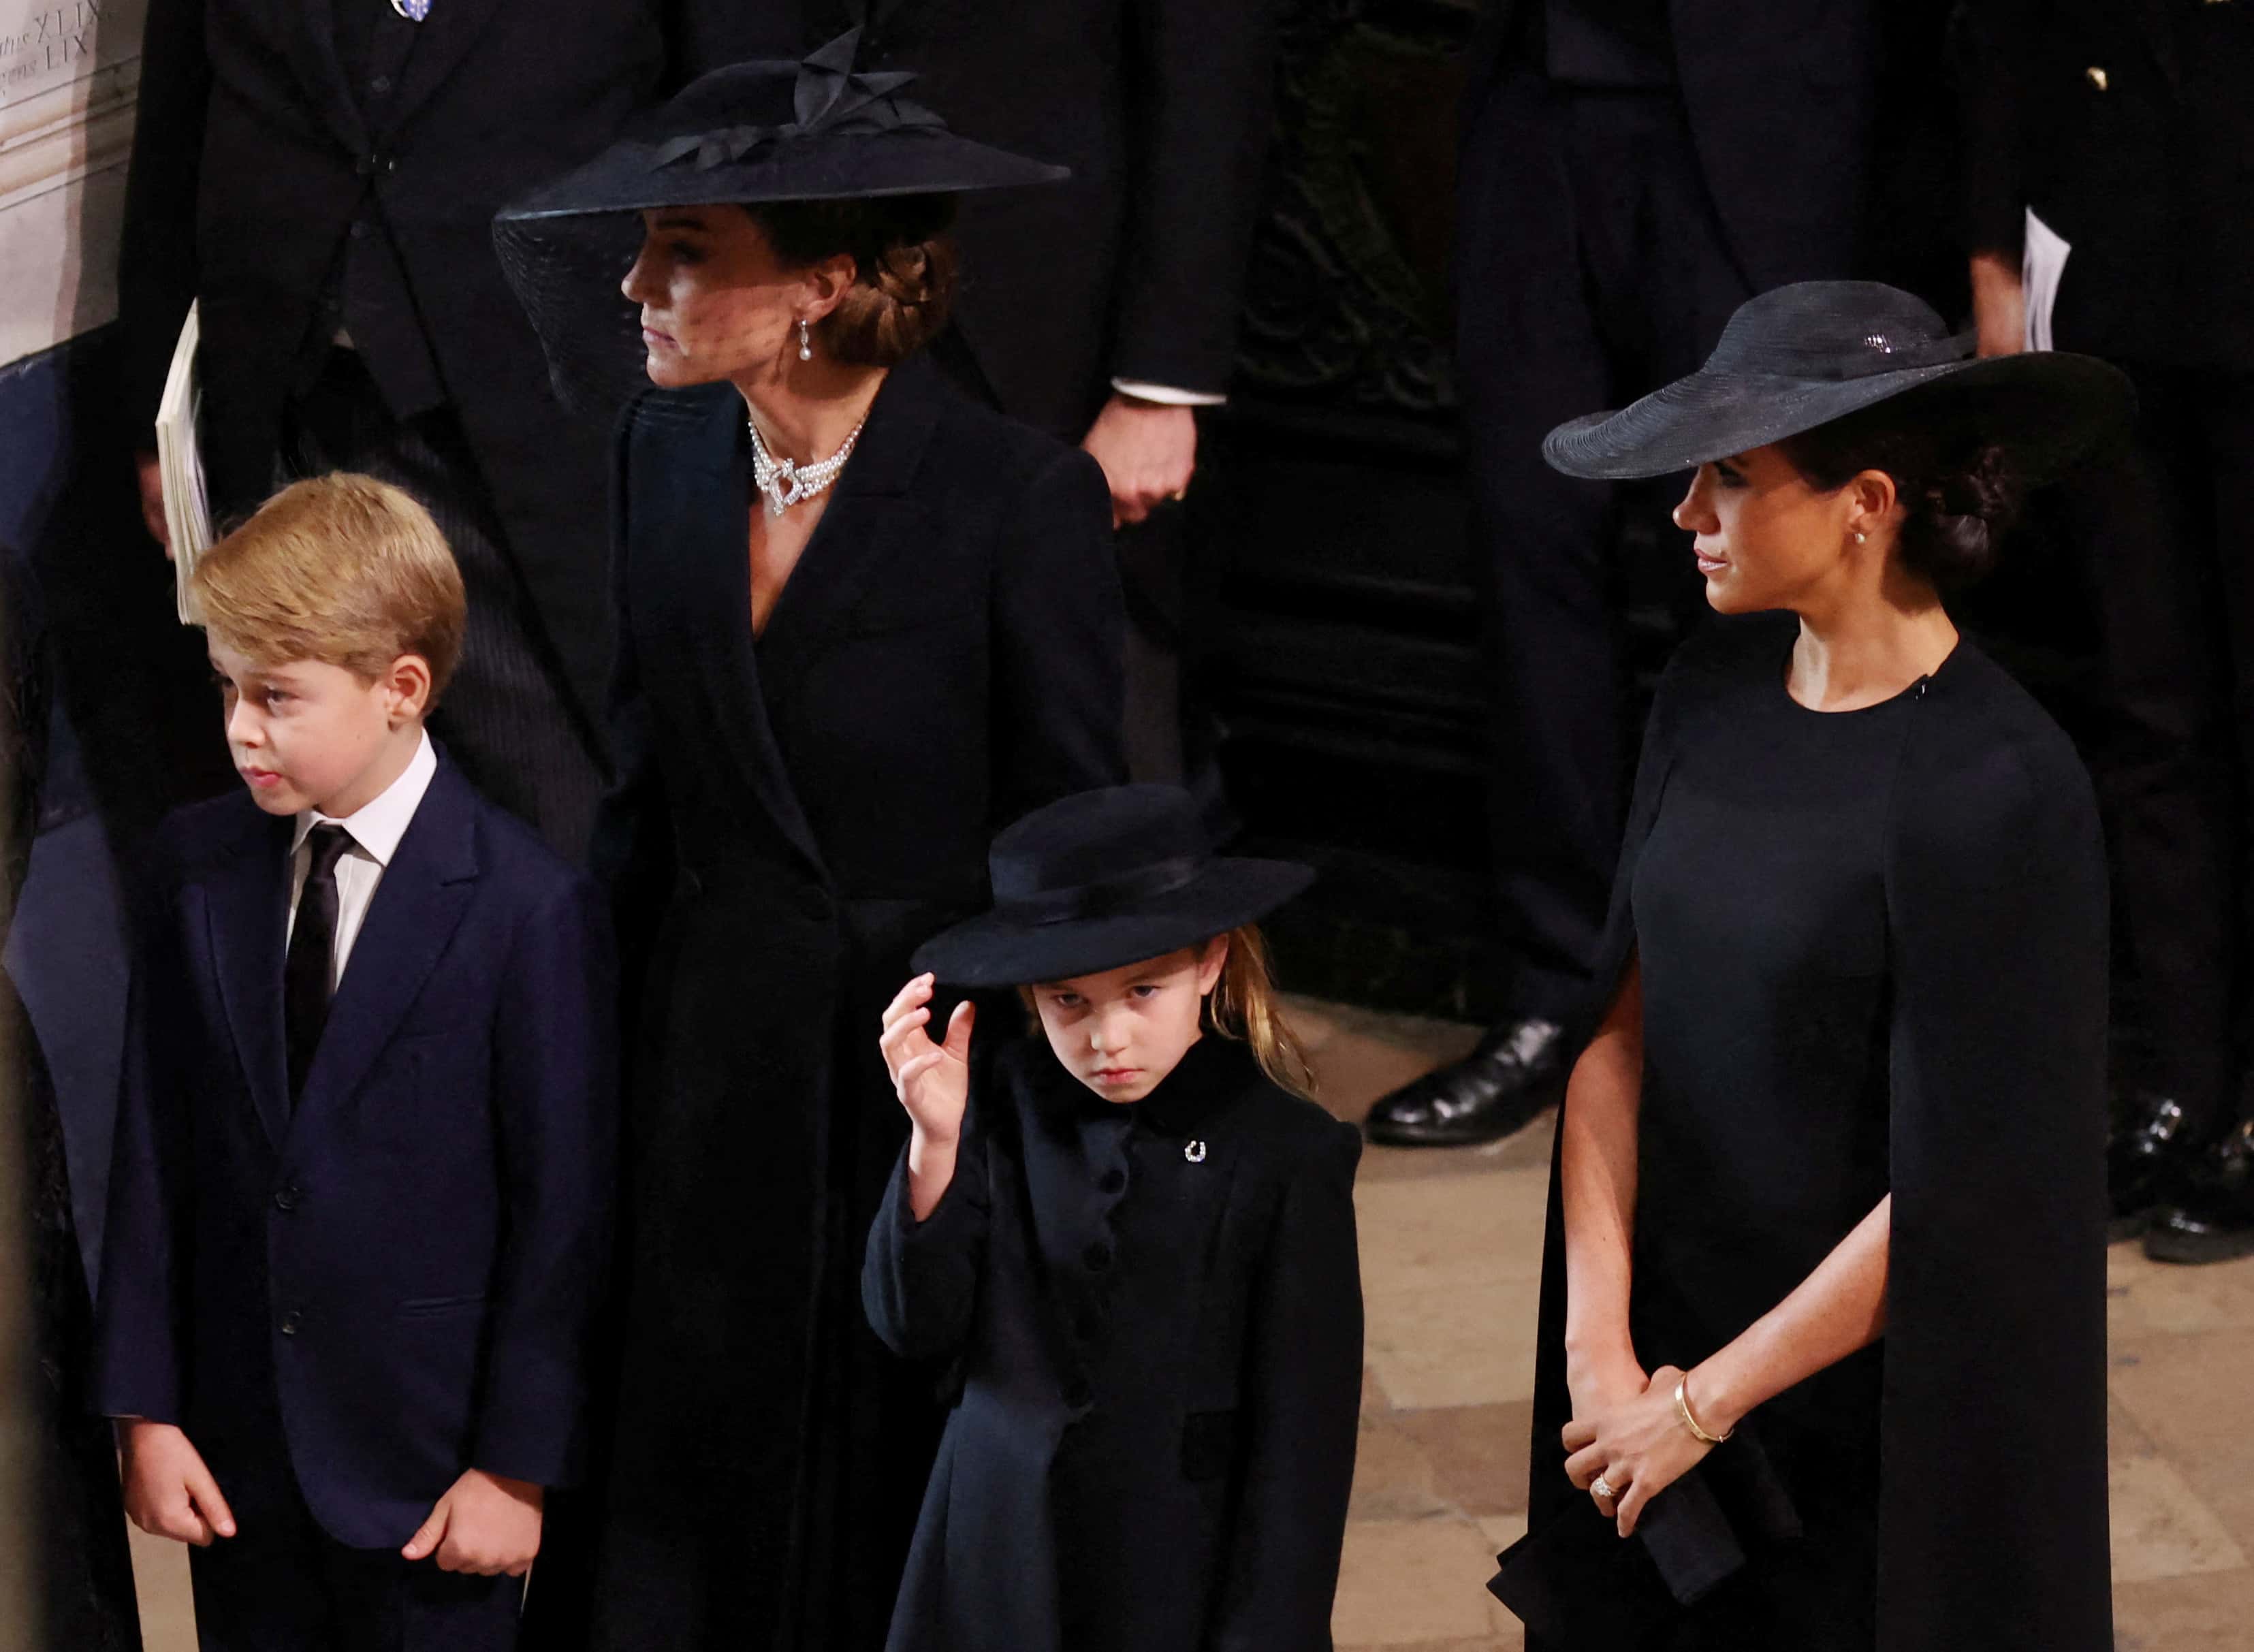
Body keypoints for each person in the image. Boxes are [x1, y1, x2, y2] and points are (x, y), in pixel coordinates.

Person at [491, 39, 1128, 1651]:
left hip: (899, 1083)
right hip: (698, 1072)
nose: (636, 283)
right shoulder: (664, 452)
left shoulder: (1012, 498)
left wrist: (999, 1128)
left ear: (819, 287)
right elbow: (644, 779)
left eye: (683, 252)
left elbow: (1064, 840)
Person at [1504, 283, 2125, 1649]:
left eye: (1728, 478)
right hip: (1659, 1354)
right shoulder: (1702, 693)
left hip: (1873, 1418)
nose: (1686, 516)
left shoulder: (1997, 785)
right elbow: (1614, 1028)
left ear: (1865, 502)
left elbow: (1968, 1187)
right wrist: (1597, 1351)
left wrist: (1701, 1404)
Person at [88, 475, 618, 1652]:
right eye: (226, 687)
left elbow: (562, 1216)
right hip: (239, 1459)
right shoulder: (194, 867)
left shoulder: (530, 908)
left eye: (275, 696)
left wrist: (515, 1467)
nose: (238, 727)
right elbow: (152, 1150)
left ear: (403, 691)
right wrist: (146, 1410)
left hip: (432, 1482)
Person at [1367, 0, 1894, 1147]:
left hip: (1771, 110)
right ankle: (1559, 994)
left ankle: (1763, 1012)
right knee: (1530, 555)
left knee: (1761, 571)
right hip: (1536, 98)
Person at [116, 0, 783, 857]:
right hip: (288, 393)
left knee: (568, 805)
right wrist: (152, 423)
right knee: (332, 822)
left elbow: (746, 105)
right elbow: (177, 118)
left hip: (557, 406)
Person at [866, 783, 1362, 1652]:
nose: (1109, 1039)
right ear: (1029, 994)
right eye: (1070, 1001)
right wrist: (933, 1145)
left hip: (1171, 1575)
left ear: (1209, 963)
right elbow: (913, 1326)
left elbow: (1302, 1450)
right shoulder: (992, 1104)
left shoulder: (1289, 1153)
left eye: (1143, 989)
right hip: (989, 1555)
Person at [1954, 0, 2254, 1262]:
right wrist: (1991, 273)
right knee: (2151, 709)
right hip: (2112, 269)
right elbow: (1994, 39)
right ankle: (2186, 1080)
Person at [833, 0, 1280, 780]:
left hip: (1061, 329)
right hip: (813, 289)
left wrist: (1161, 385)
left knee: (1097, 775)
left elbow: (1212, 69)